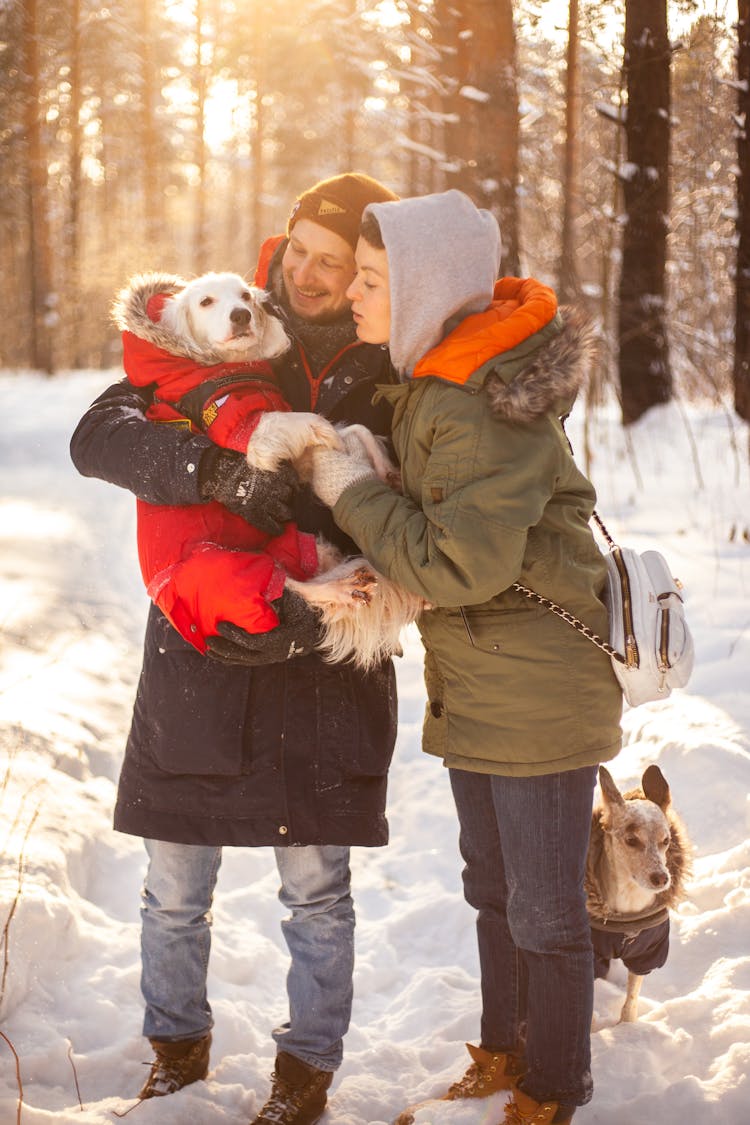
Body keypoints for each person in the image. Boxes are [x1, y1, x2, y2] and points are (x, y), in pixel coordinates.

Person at [69, 172, 400, 1125]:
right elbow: (101, 434)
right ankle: (175, 1055)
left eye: (332, 265)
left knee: (318, 892)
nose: (305, 273)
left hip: (326, 650)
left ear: (367, 274)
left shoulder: (389, 356)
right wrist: (212, 466)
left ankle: (306, 1076)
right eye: (297, 249)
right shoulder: (204, 325)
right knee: (175, 887)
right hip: (199, 647)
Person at [308, 189, 624, 1125]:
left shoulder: (472, 404)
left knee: (546, 910)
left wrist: (353, 490)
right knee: (495, 890)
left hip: (535, 692)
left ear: (424, 289)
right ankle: (505, 1049)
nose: (355, 297)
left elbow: (460, 562)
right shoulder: (439, 382)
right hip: (487, 683)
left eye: (371, 280)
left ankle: (554, 1085)